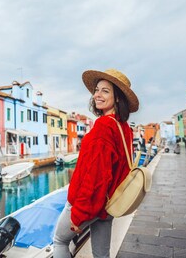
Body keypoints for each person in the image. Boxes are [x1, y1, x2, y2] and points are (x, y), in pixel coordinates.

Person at [53, 69, 139, 258]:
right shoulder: (123, 127)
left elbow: (96, 175)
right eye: (97, 90)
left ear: (117, 98)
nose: (97, 95)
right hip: (108, 205)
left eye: (105, 91)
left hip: (91, 204)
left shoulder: (103, 127)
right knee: (102, 255)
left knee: (59, 242)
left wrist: (79, 214)